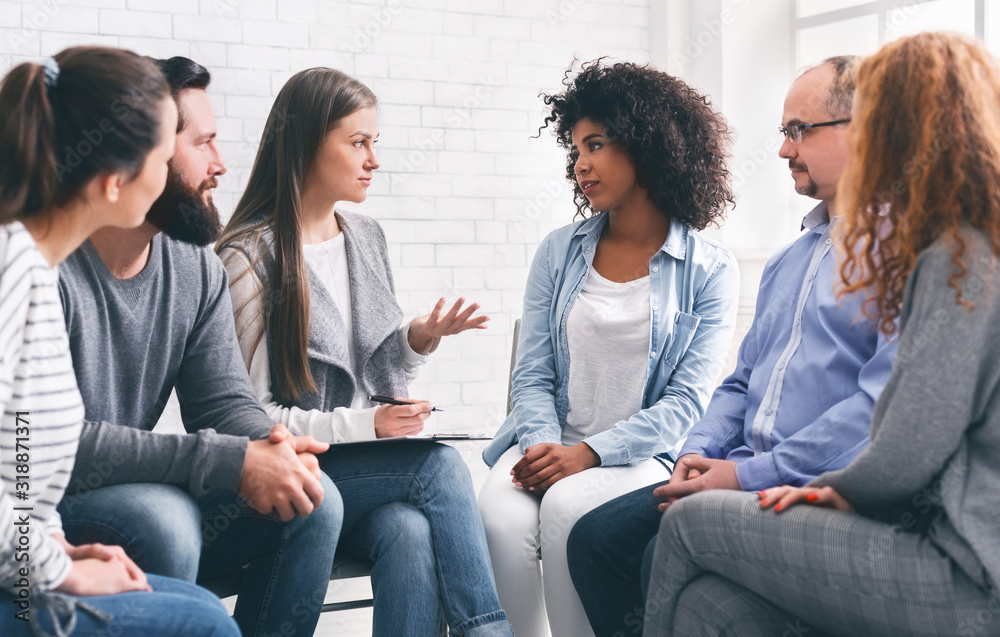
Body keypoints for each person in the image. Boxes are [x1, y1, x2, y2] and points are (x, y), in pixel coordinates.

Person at [644, 31, 1000, 637]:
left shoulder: (962, 255)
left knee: (683, 525)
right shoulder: (959, 243)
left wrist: (835, 489)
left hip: (968, 570)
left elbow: (911, 436)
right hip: (931, 537)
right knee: (709, 605)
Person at [566, 55, 900, 636]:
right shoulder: (788, 261)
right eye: (784, 132)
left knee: (657, 555)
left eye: (799, 130)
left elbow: (877, 412)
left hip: (809, 486)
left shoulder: (906, 255)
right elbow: (743, 381)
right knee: (596, 539)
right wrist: (697, 452)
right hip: (737, 470)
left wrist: (744, 478)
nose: (784, 149)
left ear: (863, 131)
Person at [216, 67, 512, 637]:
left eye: (375, 142)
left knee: (409, 531)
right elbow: (252, 421)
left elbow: (375, 372)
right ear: (306, 144)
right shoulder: (247, 259)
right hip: (299, 470)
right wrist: (369, 426)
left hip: (366, 471)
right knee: (440, 468)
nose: (373, 160)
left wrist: (416, 339)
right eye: (358, 142)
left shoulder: (366, 236)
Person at [54, 56, 341, 637]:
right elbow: (40, 442)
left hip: (132, 478)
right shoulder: (44, 265)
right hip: (40, 502)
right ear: (138, 154)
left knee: (313, 499)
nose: (221, 164)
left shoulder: (196, 270)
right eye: (202, 142)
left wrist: (272, 448)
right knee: (163, 520)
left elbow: (222, 404)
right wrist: (227, 460)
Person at [476, 60, 741, 637]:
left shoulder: (711, 269)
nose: (580, 165)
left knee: (567, 511)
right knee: (498, 518)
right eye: (575, 150)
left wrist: (590, 453)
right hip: (546, 441)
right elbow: (533, 372)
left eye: (595, 145)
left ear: (646, 146)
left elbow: (686, 403)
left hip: (636, 456)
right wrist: (544, 446)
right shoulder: (558, 251)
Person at [0, 47, 239, 637]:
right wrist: (58, 569)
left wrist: (58, 548)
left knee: (204, 611)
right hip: (20, 583)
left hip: (25, 567)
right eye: (161, 158)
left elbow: (18, 472)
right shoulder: (12, 270)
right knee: (205, 627)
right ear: (114, 184)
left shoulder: (34, 269)